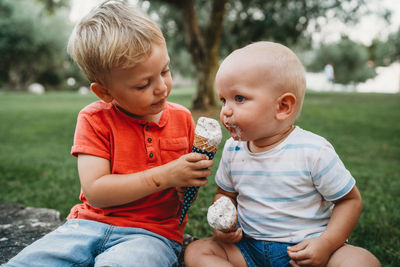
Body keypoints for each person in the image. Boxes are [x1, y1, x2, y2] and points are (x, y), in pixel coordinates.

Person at [5, 1, 214, 266]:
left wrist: (188, 183)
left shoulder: (182, 118)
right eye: (143, 84)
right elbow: (96, 191)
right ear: (104, 92)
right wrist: (166, 174)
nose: (161, 87)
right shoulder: (94, 120)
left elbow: (183, 189)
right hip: (86, 226)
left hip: (151, 234)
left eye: (164, 71)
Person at [184, 42, 381, 267]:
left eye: (239, 98)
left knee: (362, 261)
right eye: (223, 100)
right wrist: (223, 226)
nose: (226, 110)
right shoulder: (233, 150)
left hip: (305, 252)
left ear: (283, 106)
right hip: (249, 249)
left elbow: (350, 201)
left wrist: (325, 244)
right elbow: (225, 195)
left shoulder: (313, 151)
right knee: (197, 251)